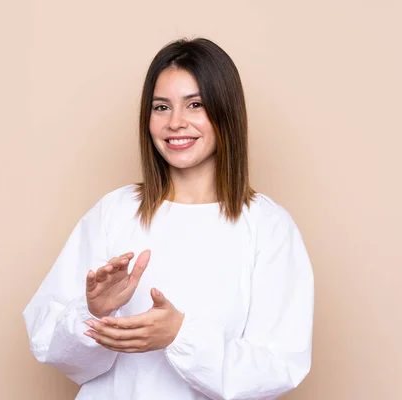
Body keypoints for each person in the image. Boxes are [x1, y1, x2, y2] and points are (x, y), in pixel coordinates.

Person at [23, 37, 314, 400]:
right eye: (161, 107)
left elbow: (278, 365)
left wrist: (180, 336)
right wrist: (93, 312)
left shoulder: (268, 226)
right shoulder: (115, 211)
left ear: (226, 113)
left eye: (195, 104)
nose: (176, 123)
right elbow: (50, 344)